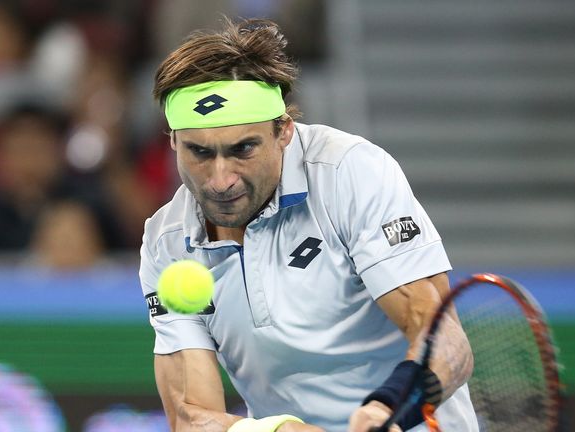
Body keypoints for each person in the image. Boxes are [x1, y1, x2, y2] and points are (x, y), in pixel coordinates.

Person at [138, 18, 479, 432]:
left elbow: (444, 338)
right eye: (200, 153)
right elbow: (190, 418)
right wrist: (279, 430)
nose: (220, 180)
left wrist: (386, 410)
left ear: (283, 131)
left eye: (243, 149)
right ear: (173, 140)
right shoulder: (167, 241)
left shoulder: (350, 173)